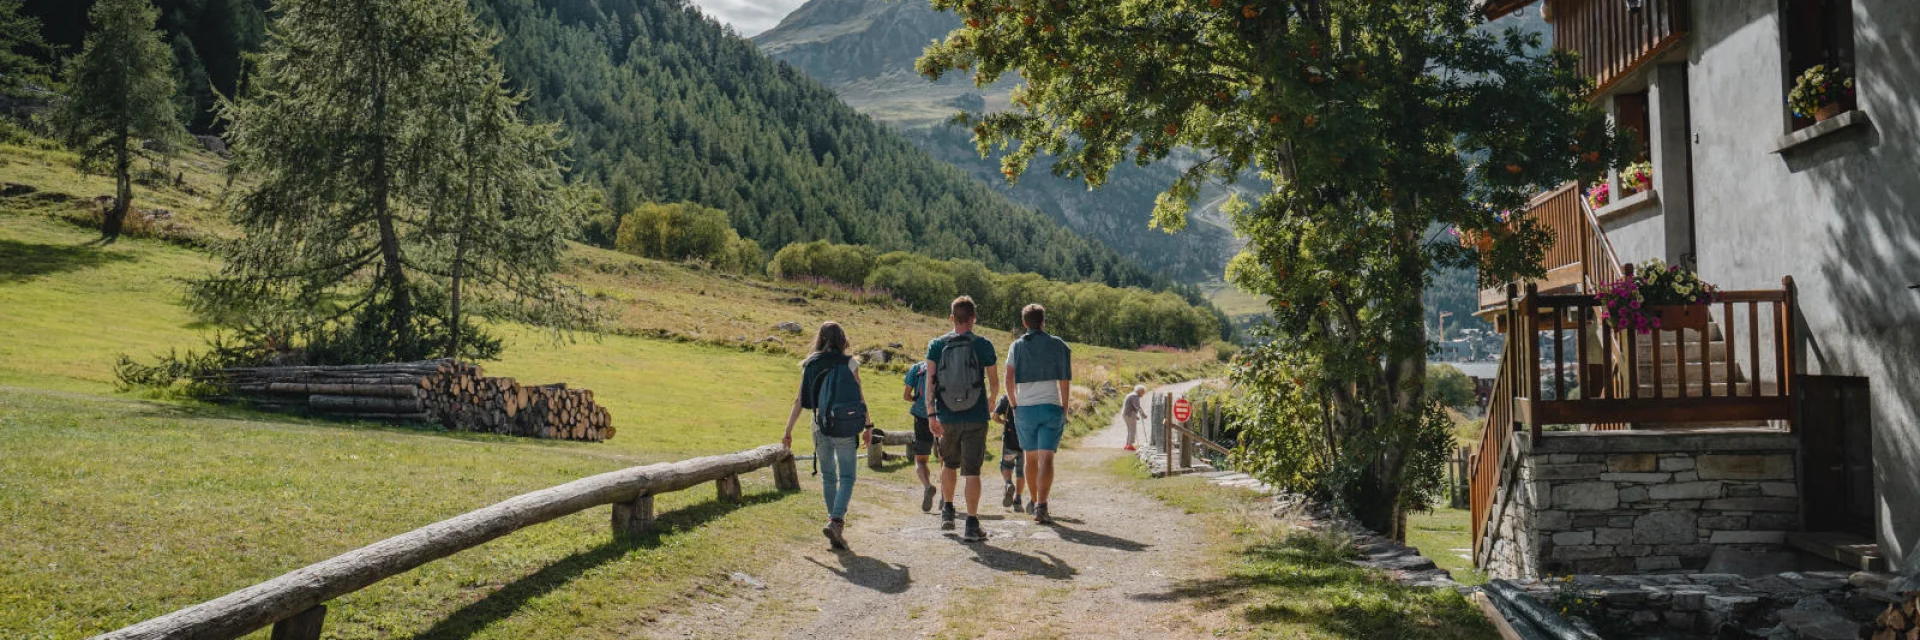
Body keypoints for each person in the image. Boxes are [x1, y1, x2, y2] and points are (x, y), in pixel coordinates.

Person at [782, 322, 873, 551]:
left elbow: (800, 400)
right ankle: (836, 522)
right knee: (848, 476)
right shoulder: (850, 363)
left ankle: (834, 522)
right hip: (846, 424)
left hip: (819, 424)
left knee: (829, 476)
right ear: (843, 338)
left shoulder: (810, 363)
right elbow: (860, 397)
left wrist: (788, 431)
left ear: (820, 338)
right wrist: (869, 425)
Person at [925, 296, 999, 543]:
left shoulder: (937, 345)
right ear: (973, 318)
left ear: (951, 318)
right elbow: (994, 382)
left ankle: (947, 511)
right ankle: (972, 523)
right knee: (972, 471)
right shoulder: (983, 345)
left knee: (949, 464)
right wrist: (992, 399)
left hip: (946, 415)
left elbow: (930, 382)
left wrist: (931, 413)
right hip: (976, 415)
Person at [1003, 304, 1072, 525]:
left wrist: (1014, 404)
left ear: (1025, 323)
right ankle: (1042, 505)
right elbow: (1064, 380)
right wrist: (1065, 406)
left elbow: (1008, 378)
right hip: (1051, 405)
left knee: (1030, 458)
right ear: (1043, 321)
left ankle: (1034, 502)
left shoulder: (1017, 346)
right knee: (1047, 458)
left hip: (1025, 408)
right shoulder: (1058, 345)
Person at [903, 360, 938, 512]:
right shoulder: (946, 365)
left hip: (922, 417)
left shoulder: (918, 368)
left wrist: (917, 399)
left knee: (921, 460)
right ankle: (946, 498)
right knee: (945, 460)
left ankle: (927, 486)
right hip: (943, 417)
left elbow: (906, 395)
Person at [991, 394, 1028, 513]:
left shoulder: (1006, 398)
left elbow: (995, 416)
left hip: (1010, 442)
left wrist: (1004, 423)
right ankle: (1017, 500)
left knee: (1006, 465)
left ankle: (1008, 483)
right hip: (1025, 441)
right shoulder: (1028, 396)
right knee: (1021, 472)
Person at [1122, 384, 1147, 452]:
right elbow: (1137, 406)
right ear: (1140, 391)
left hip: (1126, 414)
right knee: (1133, 430)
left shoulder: (1131, 394)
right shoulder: (1135, 396)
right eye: (1143, 392)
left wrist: (1135, 416)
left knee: (1130, 430)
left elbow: (1129, 406)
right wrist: (1143, 415)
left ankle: (1127, 445)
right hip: (1129, 414)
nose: (1143, 394)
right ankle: (1130, 445)